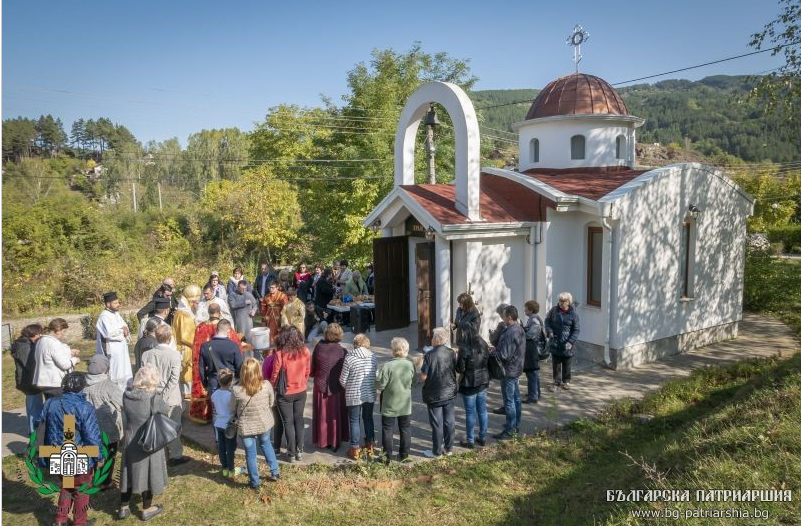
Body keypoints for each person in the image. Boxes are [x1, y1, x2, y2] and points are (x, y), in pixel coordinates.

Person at [41, 372, 103, 526]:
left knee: (67, 486)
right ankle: (79, 523)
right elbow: (91, 436)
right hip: (78, 457)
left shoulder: (50, 403)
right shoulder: (84, 407)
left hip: (58, 455)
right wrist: (99, 456)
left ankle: (60, 520)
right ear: (82, 387)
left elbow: (41, 426)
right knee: (82, 490)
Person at [118, 364, 170, 521]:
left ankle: (123, 507)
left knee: (127, 473)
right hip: (149, 439)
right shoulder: (154, 397)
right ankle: (147, 509)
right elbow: (166, 410)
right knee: (149, 474)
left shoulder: (126, 395)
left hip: (130, 437)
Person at [141, 324, 189, 466]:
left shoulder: (147, 354)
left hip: (152, 394)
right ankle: (175, 455)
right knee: (173, 426)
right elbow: (174, 379)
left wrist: (155, 393)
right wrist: (165, 395)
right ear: (169, 338)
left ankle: (159, 454)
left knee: (157, 425)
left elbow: (145, 375)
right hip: (171, 396)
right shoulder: (174, 355)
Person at [232, 358, 280, 487]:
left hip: (246, 427)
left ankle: (255, 481)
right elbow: (271, 403)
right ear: (258, 370)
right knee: (266, 444)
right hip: (264, 423)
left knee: (250, 454)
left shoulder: (236, 390)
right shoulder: (267, 385)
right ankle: (275, 472)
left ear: (243, 372)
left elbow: (232, 408)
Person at [190, 303, 241, 424]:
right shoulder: (229, 331)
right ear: (219, 312)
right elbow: (238, 356)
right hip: (229, 378)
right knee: (230, 405)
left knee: (215, 409)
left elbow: (197, 356)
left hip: (212, 377)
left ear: (208, 312)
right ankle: (229, 429)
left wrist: (204, 382)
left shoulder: (200, 328)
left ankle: (216, 432)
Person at [83, 354, 124, 490]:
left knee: (92, 452)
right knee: (109, 455)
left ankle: (90, 477)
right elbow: (123, 402)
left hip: (89, 428)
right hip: (108, 429)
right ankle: (105, 482)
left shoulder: (83, 383)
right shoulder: (109, 386)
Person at [270, 326, 310, 462]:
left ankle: (291, 453)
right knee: (299, 419)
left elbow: (275, 374)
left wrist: (271, 388)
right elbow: (307, 371)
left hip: (285, 393)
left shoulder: (280, 354)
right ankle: (299, 449)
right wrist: (302, 383)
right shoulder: (305, 351)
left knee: (288, 422)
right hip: (301, 391)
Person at [375, 337, 415, 463]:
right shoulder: (410, 365)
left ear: (393, 350)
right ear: (406, 350)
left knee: (387, 430)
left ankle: (387, 457)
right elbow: (413, 383)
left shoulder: (387, 366)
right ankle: (404, 455)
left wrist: (376, 378)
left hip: (389, 404)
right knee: (405, 429)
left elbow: (380, 385)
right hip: (405, 404)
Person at [310, 323, 349, 451]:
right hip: (337, 387)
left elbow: (313, 367)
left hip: (321, 385)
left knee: (323, 414)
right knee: (335, 415)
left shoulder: (319, 347)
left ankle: (324, 441)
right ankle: (335, 440)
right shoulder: (343, 351)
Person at [420, 327, 458, 458]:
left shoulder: (429, 355)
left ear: (436, 340)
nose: (431, 339)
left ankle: (437, 451)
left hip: (434, 393)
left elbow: (423, 376)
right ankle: (449, 448)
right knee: (449, 420)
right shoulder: (451, 352)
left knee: (437, 423)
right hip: (449, 390)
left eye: (432, 337)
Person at [339, 333, 377, 460]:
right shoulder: (373, 357)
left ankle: (354, 449)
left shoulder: (349, 358)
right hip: (369, 393)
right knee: (368, 418)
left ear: (355, 344)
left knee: (354, 421)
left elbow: (343, 379)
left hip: (353, 394)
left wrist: (349, 387)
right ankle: (370, 445)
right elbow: (376, 376)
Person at [492, 305, 526, 441]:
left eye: (504, 316)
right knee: (516, 398)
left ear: (509, 317)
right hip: (516, 368)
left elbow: (504, 355)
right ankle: (515, 425)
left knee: (509, 401)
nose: (502, 318)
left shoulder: (512, 332)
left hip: (509, 371)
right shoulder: (518, 328)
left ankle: (511, 430)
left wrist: (494, 352)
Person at [455, 325, 490, 448]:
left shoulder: (464, 348)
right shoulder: (483, 343)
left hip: (469, 383)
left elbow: (460, 368)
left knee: (470, 412)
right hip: (483, 380)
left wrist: (457, 358)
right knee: (482, 410)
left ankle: (470, 441)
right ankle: (483, 437)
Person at [10, 323, 44, 435]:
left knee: (33, 407)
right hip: (28, 381)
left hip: (28, 380)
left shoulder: (25, 343)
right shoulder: (24, 346)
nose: (40, 336)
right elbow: (30, 364)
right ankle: (34, 433)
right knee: (35, 408)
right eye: (39, 334)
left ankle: (34, 431)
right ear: (33, 334)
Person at [34, 318, 80, 399]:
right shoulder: (53, 343)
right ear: (58, 331)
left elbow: (49, 356)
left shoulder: (41, 341)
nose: (64, 334)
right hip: (54, 383)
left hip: (44, 381)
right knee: (58, 409)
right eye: (63, 332)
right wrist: (75, 360)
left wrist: (69, 352)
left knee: (51, 407)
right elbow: (65, 365)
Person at [210, 369, 244, 478]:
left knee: (221, 447)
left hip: (218, 424)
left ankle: (224, 468)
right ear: (231, 382)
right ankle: (231, 470)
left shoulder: (214, 394)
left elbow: (215, 408)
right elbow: (233, 409)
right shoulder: (230, 395)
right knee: (230, 449)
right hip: (229, 426)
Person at [96, 291, 133, 389]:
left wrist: (125, 329)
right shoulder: (104, 316)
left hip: (121, 349)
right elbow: (109, 333)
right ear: (108, 304)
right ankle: (116, 390)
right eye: (115, 303)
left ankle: (126, 388)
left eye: (118, 302)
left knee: (124, 369)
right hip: (112, 350)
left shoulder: (116, 314)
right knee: (116, 371)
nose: (118, 305)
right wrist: (122, 330)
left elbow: (125, 326)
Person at [545, 292, 581, 391]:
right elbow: (547, 321)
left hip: (567, 343)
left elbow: (576, 330)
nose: (561, 303)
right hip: (556, 341)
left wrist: (571, 342)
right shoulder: (554, 311)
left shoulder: (573, 315)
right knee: (556, 364)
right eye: (560, 300)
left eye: (563, 301)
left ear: (568, 302)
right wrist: (549, 331)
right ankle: (556, 382)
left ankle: (566, 382)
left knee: (567, 363)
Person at [199, 319, 244, 395]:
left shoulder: (205, 346)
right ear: (228, 331)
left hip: (213, 382)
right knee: (231, 406)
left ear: (217, 329)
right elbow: (239, 367)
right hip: (230, 383)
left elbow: (201, 369)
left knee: (216, 406)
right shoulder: (233, 346)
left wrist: (205, 384)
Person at [172, 285, 202, 400]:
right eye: (196, 302)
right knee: (187, 372)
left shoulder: (183, 312)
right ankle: (186, 396)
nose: (197, 305)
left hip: (186, 347)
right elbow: (186, 336)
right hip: (186, 348)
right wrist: (199, 340)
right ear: (191, 301)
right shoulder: (184, 315)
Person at [522, 300, 546, 404]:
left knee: (531, 373)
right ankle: (536, 392)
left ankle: (533, 396)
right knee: (534, 373)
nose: (524, 311)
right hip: (533, 349)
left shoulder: (534, 320)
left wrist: (521, 333)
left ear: (531, 310)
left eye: (526, 309)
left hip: (533, 349)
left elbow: (531, 334)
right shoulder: (533, 319)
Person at [260, 281, 287, 346]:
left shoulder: (283, 296)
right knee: (269, 335)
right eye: (270, 287)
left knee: (279, 335)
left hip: (279, 319)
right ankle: (270, 353)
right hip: (269, 319)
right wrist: (263, 320)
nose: (270, 289)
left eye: (273, 288)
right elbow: (263, 309)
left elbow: (285, 308)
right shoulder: (266, 297)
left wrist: (284, 319)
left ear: (277, 287)